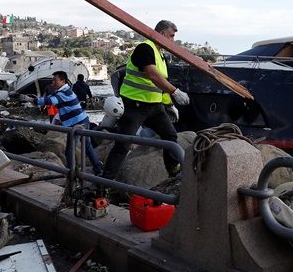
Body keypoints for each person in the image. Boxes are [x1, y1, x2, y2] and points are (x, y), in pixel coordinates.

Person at [101, 20, 190, 186]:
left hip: (154, 107)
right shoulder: (145, 48)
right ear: (161, 34)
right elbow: (153, 76)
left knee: (170, 136)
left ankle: (172, 168)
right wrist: (175, 92)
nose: (173, 41)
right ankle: (104, 184)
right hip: (134, 105)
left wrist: (170, 105)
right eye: (171, 36)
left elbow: (159, 84)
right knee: (123, 144)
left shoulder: (160, 55)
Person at [28, 71, 102, 175]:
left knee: (69, 151)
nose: (53, 83)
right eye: (52, 80)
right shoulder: (64, 90)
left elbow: (51, 101)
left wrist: (31, 100)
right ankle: (97, 170)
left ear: (63, 81)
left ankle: (72, 174)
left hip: (77, 124)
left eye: (55, 80)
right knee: (88, 147)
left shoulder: (64, 93)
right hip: (83, 120)